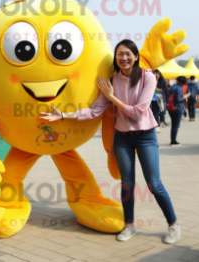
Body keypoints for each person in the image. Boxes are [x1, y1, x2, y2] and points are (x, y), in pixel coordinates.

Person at [41, 39, 180, 244]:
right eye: (119, 54)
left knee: (154, 184)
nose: (123, 58)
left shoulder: (147, 77)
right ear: (115, 58)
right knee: (127, 184)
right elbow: (94, 110)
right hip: (122, 138)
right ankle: (129, 225)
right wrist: (63, 115)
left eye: (127, 54)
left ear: (135, 56)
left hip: (146, 137)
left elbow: (139, 113)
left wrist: (112, 98)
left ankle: (173, 225)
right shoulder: (112, 81)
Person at [167, 76, 190, 146]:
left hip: (170, 107)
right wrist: (184, 97)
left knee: (173, 125)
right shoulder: (179, 88)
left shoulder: (172, 87)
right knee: (175, 125)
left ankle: (172, 139)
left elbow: (168, 95)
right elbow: (178, 99)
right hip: (177, 108)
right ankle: (173, 141)